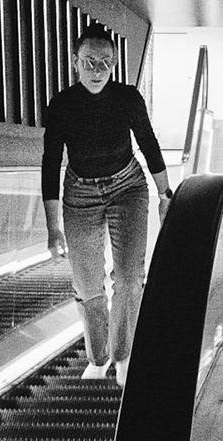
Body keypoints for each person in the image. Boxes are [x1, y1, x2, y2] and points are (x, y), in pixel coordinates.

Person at [43, 25, 172, 383]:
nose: (97, 71)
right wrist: (53, 227)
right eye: (89, 62)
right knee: (87, 285)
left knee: (129, 278)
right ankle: (98, 358)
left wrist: (165, 194)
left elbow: (148, 143)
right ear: (75, 62)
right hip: (80, 194)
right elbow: (51, 162)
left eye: (105, 63)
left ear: (114, 63)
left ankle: (123, 355)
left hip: (127, 187)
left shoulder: (128, 98)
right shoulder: (62, 105)